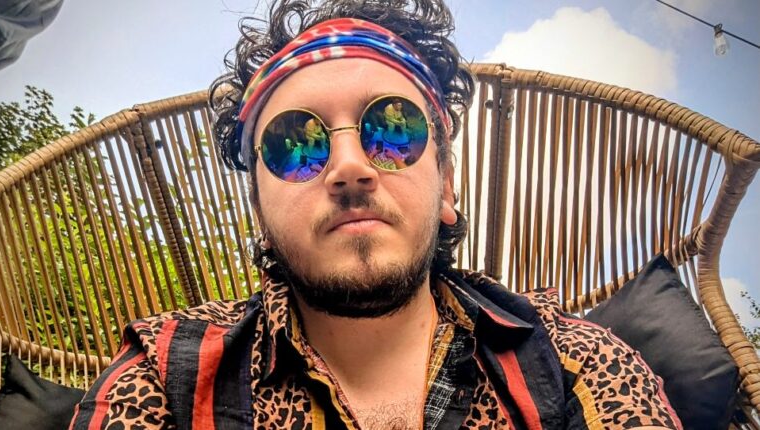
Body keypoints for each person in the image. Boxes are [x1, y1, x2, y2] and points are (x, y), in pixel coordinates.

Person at [69, 1, 682, 429]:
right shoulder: (166, 376)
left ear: (446, 184)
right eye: (295, 144)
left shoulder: (573, 361)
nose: (349, 167)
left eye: (393, 132)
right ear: (259, 210)